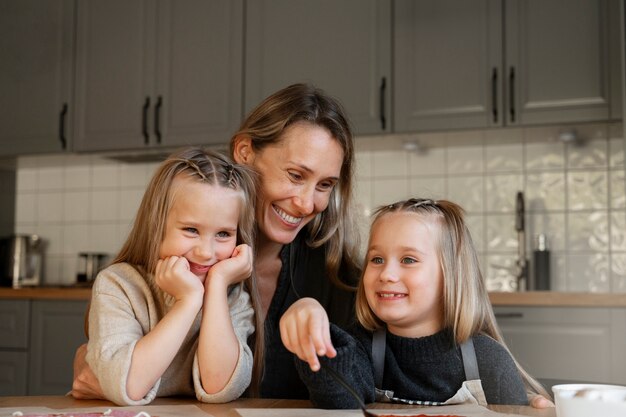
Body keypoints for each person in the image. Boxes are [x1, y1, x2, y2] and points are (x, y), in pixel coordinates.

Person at [72, 84, 552, 408]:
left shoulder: (339, 276)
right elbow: (118, 368)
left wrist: (511, 396)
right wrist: (97, 363)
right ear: (245, 152)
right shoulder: (172, 265)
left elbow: (399, 361)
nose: (306, 203)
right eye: (295, 175)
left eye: (324, 184)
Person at [282, 198, 552, 408]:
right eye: (376, 259)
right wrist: (313, 327)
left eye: (408, 260)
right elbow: (339, 401)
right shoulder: (360, 349)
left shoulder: (489, 360)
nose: (386, 274)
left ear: (451, 276)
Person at [82, 147, 263, 405]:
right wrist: (188, 302)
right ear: (157, 225)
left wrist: (217, 286)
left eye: (223, 234)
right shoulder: (118, 284)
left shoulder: (232, 296)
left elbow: (220, 386)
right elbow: (127, 385)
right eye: (191, 229)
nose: (205, 252)